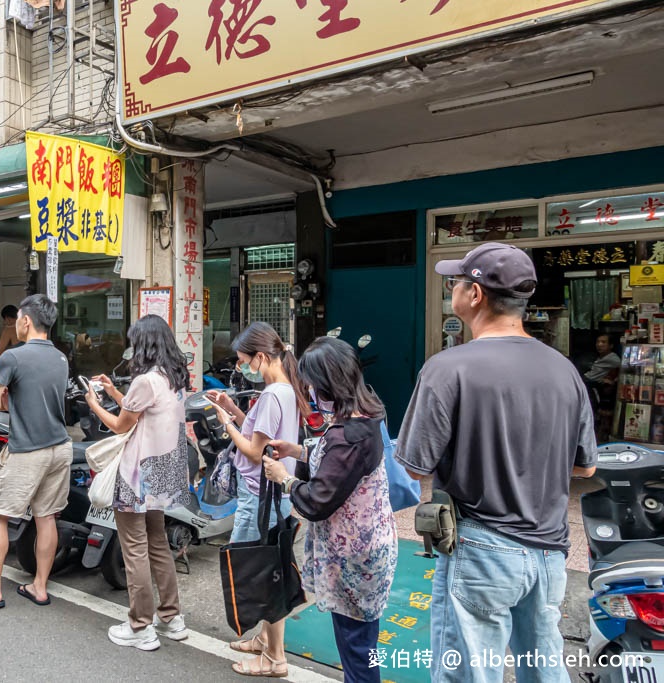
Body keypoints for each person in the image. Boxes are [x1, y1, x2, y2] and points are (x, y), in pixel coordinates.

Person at [395, 243, 597, 683]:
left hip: (481, 546)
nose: (452, 288)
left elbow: (413, 466)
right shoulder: (565, 370)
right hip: (550, 550)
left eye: (457, 281)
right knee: (543, 668)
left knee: (469, 673)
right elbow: (585, 468)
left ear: (475, 295)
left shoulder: (448, 368)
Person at [263, 335, 397, 683]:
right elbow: (340, 468)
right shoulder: (365, 415)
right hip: (367, 551)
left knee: (356, 649)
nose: (309, 394)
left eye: (312, 386)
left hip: (355, 559)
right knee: (358, 643)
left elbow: (318, 499)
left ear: (329, 385)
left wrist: (285, 479)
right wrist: (298, 451)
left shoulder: (349, 435)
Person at [83, 315, 192, 651]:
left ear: (143, 343)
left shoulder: (146, 380)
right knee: (158, 544)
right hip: (166, 471)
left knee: (135, 549)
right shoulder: (175, 377)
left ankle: (140, 626)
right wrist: (115, 391)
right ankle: (171, 618)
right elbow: (138, 410)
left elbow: (119, 425)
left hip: (139, 476)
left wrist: (94, 403)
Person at [206, 321, 307, 676]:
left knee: (263, 571)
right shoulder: (284, 389)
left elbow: (252, 450)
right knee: (268, 564)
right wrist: (233, 410)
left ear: (261, 356)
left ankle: (275, 658)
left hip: (260, 495)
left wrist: (224, 422)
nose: (242, 367)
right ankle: (264, 641)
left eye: (244, 360)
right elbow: (260, 431)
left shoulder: (271, 394)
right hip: (270, 493)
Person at [0, 294, 70, 609]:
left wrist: (8, 398)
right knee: (46, 517)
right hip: (60, 447)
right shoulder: (61, 358)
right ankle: (39, 586)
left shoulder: (13, 357)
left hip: (27, 450)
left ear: (26, 321)